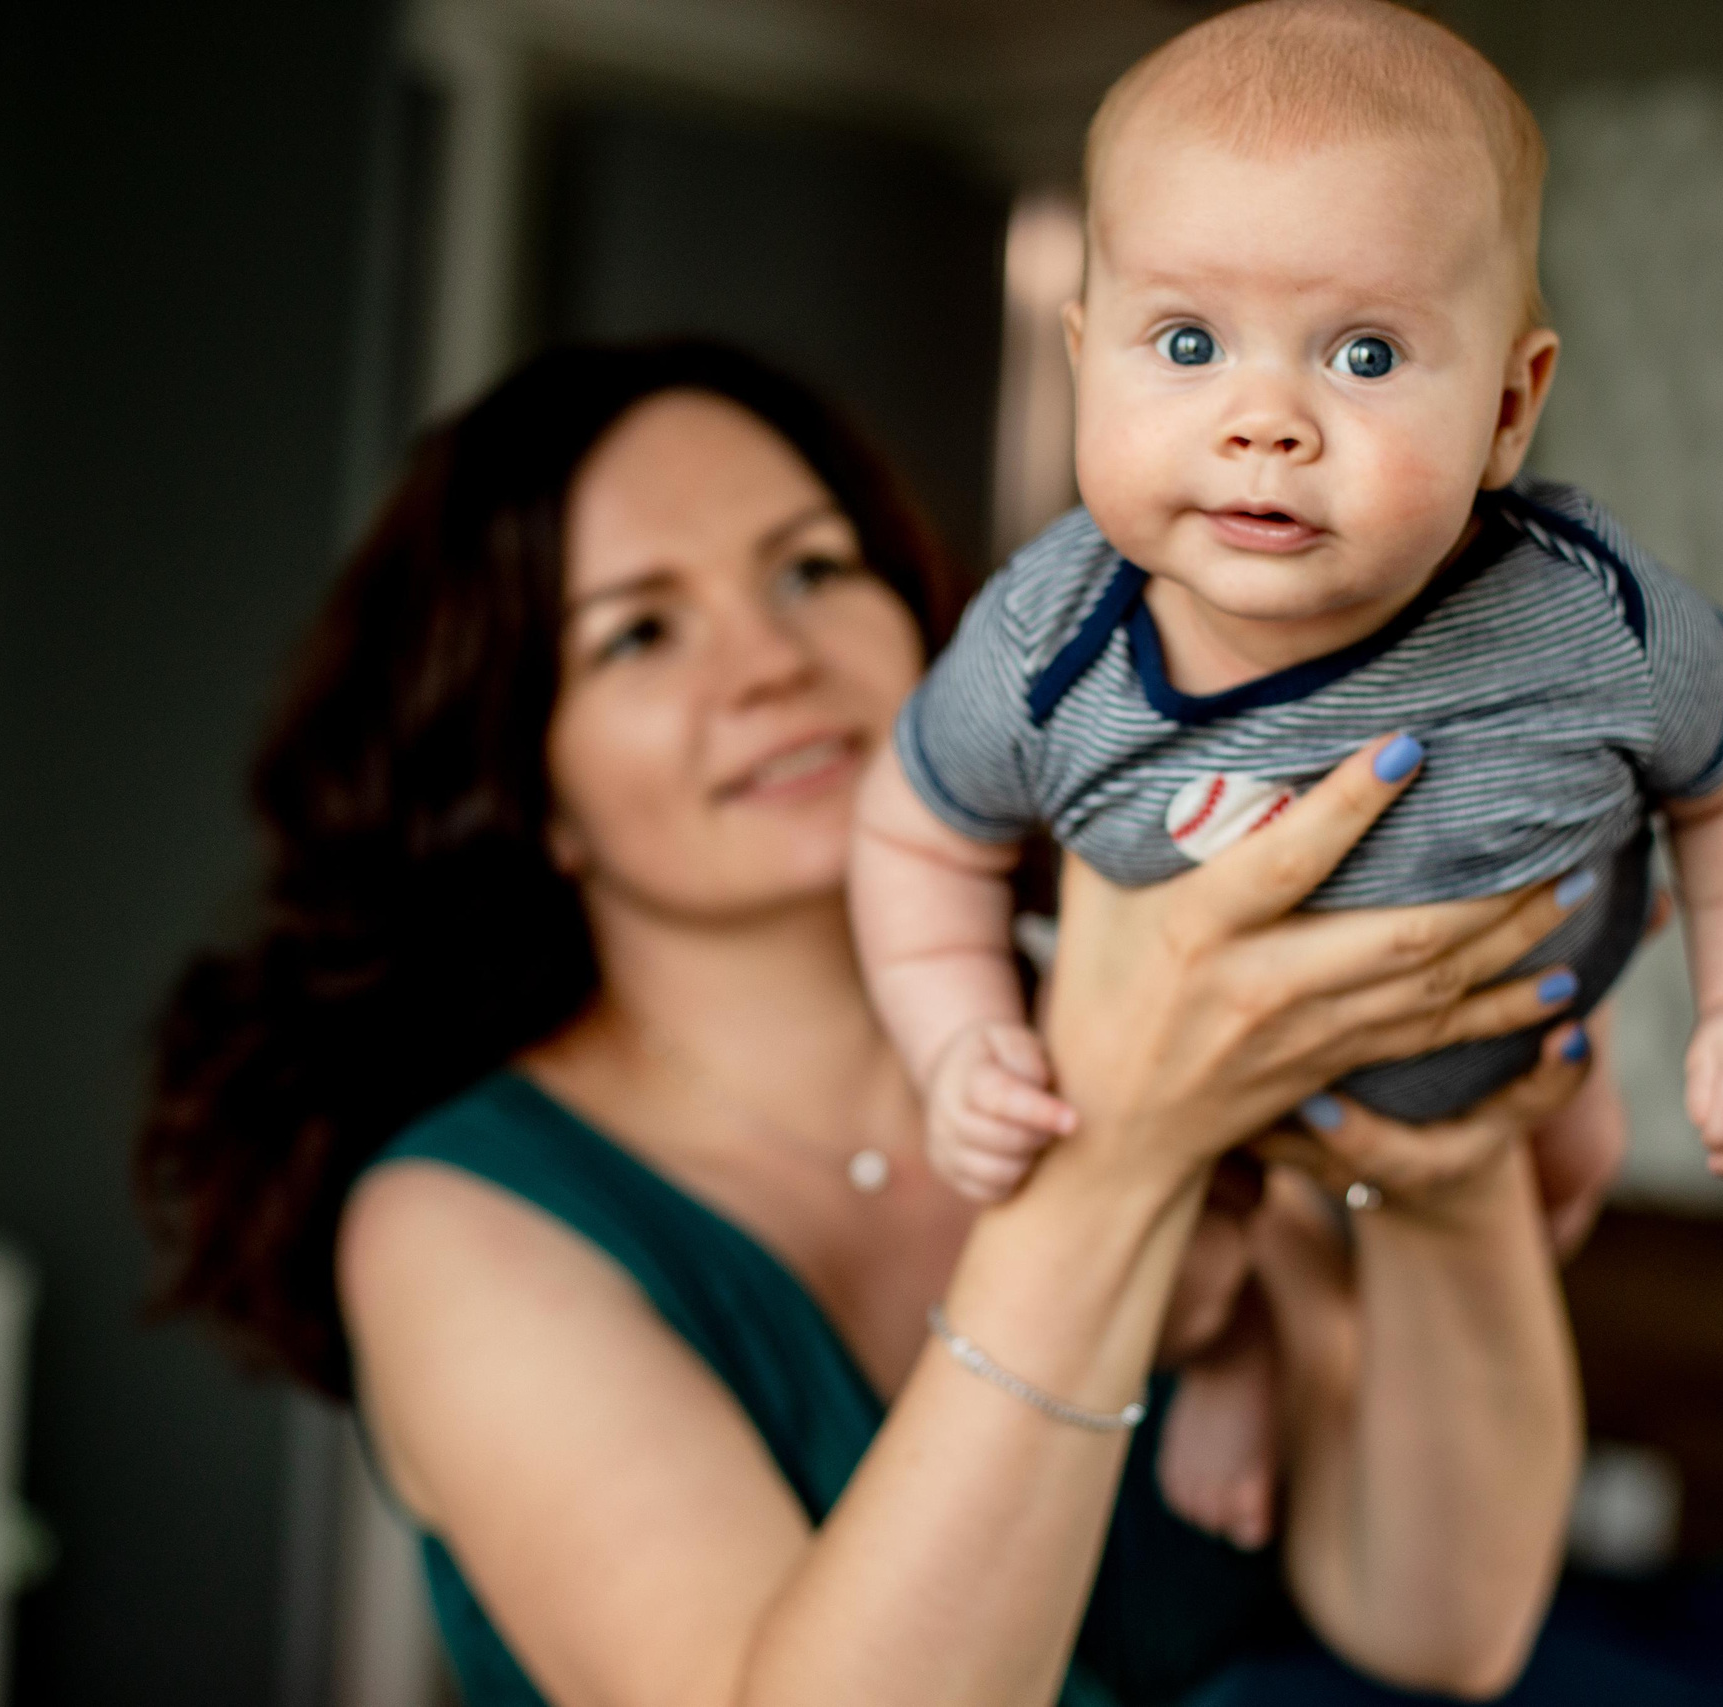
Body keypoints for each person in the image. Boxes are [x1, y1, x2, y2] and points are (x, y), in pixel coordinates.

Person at [137, 337, 1602, 1706]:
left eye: (811, 570)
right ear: (527, 793)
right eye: (640, 634)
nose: (771, 662)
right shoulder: (459, 1229)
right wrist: (1111, 1176)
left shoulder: (1142, 1007)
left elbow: (1440, 1623)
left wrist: (1448, 1139)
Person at [849, 0, 1723, 1553]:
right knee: (1164, 1279)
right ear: (1080, 353)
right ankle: (1243, 1343)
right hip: (1196, 1118)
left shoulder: (1589, 620)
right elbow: (918, 832)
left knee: (1572, 1166)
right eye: (1185, 343)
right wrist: (957, 1035)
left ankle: (1367, 1339)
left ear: (1510, 405)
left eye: (1365, 354)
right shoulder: (1047, 645)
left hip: (1514, 1075)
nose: (1263, 422)